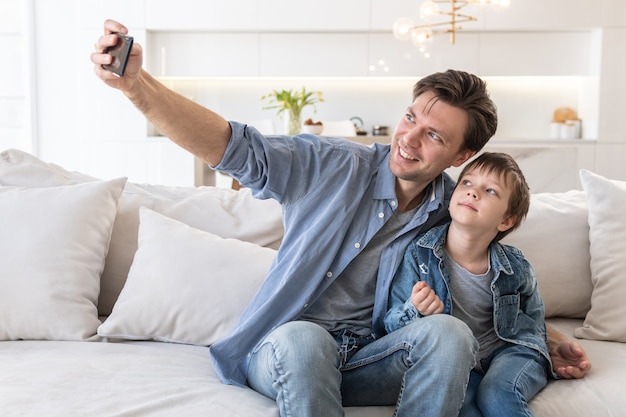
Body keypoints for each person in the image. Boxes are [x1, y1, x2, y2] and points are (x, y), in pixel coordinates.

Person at [91, 20, 591, 417]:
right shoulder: (331, 164)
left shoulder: (455, 209)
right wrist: (137, 86)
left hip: (374, 356)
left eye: (435, 136)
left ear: (461, 156)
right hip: (287, 349)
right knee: (305, 338)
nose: (410, 138)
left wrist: (547, 338)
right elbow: (234, 147)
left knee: (450, 334)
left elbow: (481, 292)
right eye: (412, 116)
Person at [385, 152, 554, 417]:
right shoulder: (419, 255)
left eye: (489, 191)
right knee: (462, 404)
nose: (472, 193)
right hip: (463, 361)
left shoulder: (516, 267)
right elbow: (391, 322)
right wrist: (416, 309)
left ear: (506, 220)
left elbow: (533, 324)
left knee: (498, 393)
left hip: (511, 351)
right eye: (466, 183)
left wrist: (547, 352)